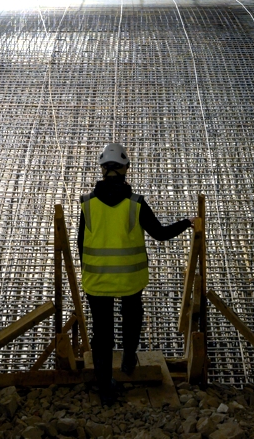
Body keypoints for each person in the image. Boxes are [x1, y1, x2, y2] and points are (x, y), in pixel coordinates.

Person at [78, 142, 193, 405]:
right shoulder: (136, 204)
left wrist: (93, 271)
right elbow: (161, 234)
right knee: (132, 318)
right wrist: (188, 222)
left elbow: (80, 244)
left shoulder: (87, 204)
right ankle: (129, 358)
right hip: (130, 280)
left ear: (102, 169)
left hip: (97, 281)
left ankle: (106, 390)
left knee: (102, 334)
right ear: (126, 169)